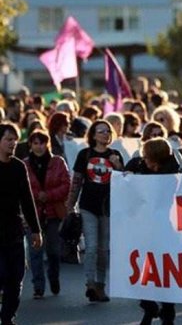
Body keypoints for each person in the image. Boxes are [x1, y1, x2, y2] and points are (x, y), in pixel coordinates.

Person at [126, 137, 182, 325]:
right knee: (140, 271)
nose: (145, 161)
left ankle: (168, 313)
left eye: (148, 158)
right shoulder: (138, 165)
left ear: (158, 159)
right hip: (141, 228)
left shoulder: (175, 172)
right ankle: (148, 306)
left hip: (166, 230)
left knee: (165, 273)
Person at [66, 120, 124, 303]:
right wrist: (70, 205)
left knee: (103, 249)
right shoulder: (85, 155)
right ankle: (90, 283)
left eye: (108, 131)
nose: (105, 134)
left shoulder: (115, 155)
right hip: (88, 206)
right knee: (90, 247)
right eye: (101, 131)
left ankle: (101, 285)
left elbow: (124, 182)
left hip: (107, 208)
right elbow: (77, 181)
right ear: (93, 135)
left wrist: (118, 167)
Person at [0, 123, 42, 325]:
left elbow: (27, 199)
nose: (13, 143)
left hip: (14, 230)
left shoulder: (18, 167)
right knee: (2, 274)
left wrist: (36, 230)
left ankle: (7, 318)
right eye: (8, 139)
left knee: (16, 278)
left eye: (15, 139)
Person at [23, 131, 70, 299]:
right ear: (30, 145)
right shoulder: (25, 165)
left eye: (42, 143)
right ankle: (38, 286)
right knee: (35, 252)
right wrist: (37, 195)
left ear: (47, 144)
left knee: (53, 251)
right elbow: (22, 187)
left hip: (53, 212)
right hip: (33, 213)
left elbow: (66, 185)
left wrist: (48, 195)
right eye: (35, 143)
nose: (39, 146)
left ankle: (53, 276)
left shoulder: (58, 162)